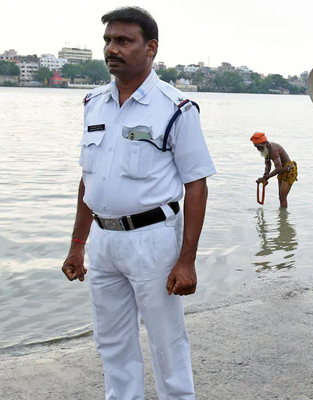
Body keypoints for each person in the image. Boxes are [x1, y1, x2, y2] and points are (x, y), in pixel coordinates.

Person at [61, 7, 216, 399]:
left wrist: (187, 260)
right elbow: (89, 180)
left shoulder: (175, 107)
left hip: (153, 240)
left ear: (151, 48)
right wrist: (77, 245)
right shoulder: (94, 103)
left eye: (123, 41)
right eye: (108, 41)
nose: (112, 48)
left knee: (167, 342)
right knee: (111, 341)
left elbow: (196, 186)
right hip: (104, 240)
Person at [251, 132, 297, 208]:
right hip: (282, 172)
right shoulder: (266, 149)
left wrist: (265, 178)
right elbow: (268, 164)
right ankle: (282, 218)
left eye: (259, 146)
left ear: (264, 143)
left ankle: (283, 217)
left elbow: (279, 168)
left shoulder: (273, 150)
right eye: (256, 147)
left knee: (282, 197)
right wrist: (265, 176)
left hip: (289, 171)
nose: (258, 149)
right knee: (280, 196)